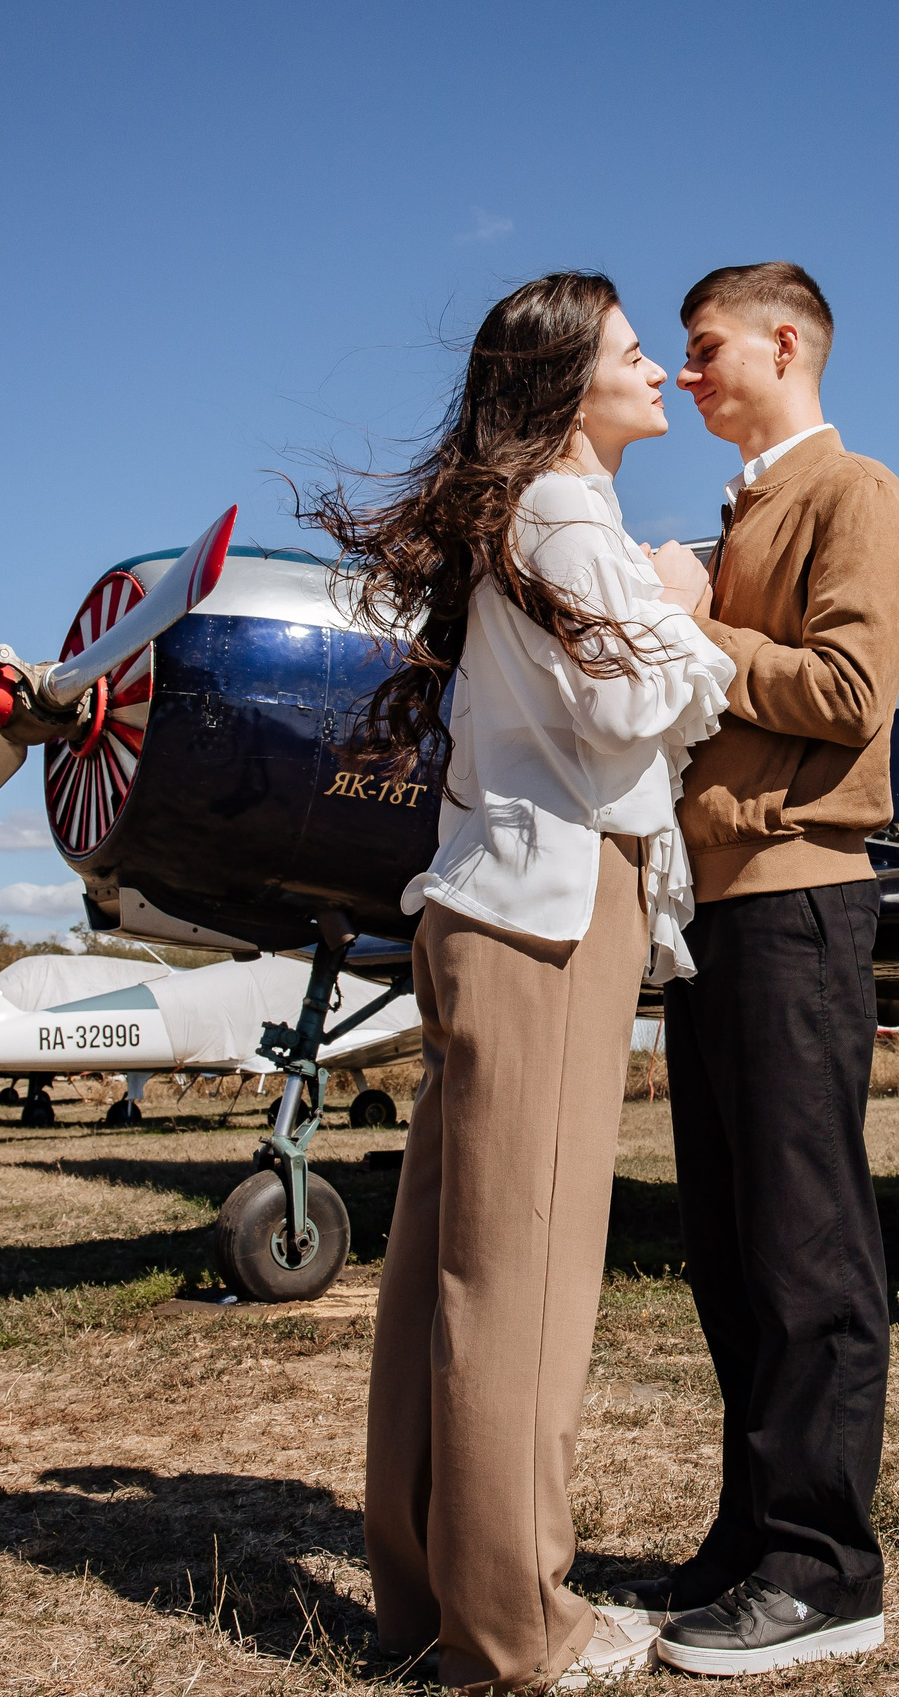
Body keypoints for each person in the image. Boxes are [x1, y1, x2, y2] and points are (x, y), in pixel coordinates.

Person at [318, 271, 734, 1692]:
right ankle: (517, 1631)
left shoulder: (530, 519)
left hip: (488, 911)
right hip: (552, 919)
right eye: (635, 354)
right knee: (528, 1285)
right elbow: (631, 699)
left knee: (453, 1274)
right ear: (568, 386)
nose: (661, 374)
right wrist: (683, 603)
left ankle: (429, 1599)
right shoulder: (563, 512)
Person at [607, 263, 899, 1676]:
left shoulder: (859, 496)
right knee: (734, 1248)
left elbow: (850, 694)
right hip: (715, 914)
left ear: (787, 342)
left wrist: (691, 634)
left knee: (806, 1245)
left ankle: (826, 1568)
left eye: (706, 348)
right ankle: (755, 1536)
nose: (686, 375)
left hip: (801, 903)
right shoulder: (742, 515)